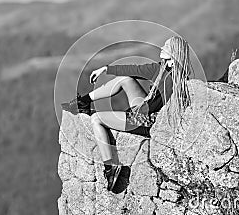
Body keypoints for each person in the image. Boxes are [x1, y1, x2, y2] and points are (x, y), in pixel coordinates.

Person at [61, 36, 192, 191]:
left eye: (166, 46)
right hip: (146, 109)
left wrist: (127, 113)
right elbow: (135, 70)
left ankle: (110, 167)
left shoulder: (172, 81)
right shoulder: (162, 69)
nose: (162, 47)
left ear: (174, 53)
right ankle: (82, 102)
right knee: (125, 79)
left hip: (149, 121)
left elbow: (152, 108)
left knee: (97, 118)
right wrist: (106, 69)